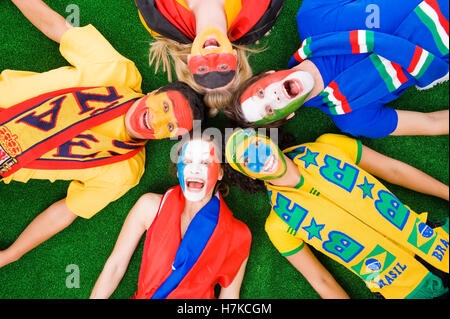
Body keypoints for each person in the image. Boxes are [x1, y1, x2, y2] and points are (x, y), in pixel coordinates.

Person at [0, 0, 205, 269]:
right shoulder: (116, 70)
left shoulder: (125, 170)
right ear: (157, 92)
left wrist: (10, 255)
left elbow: (66, 211)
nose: (156, 120)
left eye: (169, 127)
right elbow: (55, 25)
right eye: (165, 106)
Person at [225, 128, 449, 299]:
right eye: (246, 160)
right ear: (249, 175)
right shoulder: (278, 225)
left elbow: (394, 171)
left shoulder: (328, 145)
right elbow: (321, 281)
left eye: (256, 145)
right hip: (404, 290)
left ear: (267, 140)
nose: (260, 158)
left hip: (438, 241)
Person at [225, 0, 449, 138]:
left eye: (261, 93)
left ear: (268, 74)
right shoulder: (353, 118)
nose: (273, 98)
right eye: (270, 110)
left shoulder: (311, 17)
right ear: (290, 115)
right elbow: (432, 123)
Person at [90, 134, 251, 299]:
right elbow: (115, 267)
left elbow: (229, 297)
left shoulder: (237, 233)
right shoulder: (150, 207)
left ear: (220, 173)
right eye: (188, 161)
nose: (195, 169)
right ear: (179, 168)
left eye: (205, 162)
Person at [135, 0, 285, 115]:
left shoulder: (159, 16)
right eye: (223, 67)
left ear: (189, 61)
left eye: (202, 68)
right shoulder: (258, 13)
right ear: (235, 57)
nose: (211, 55)